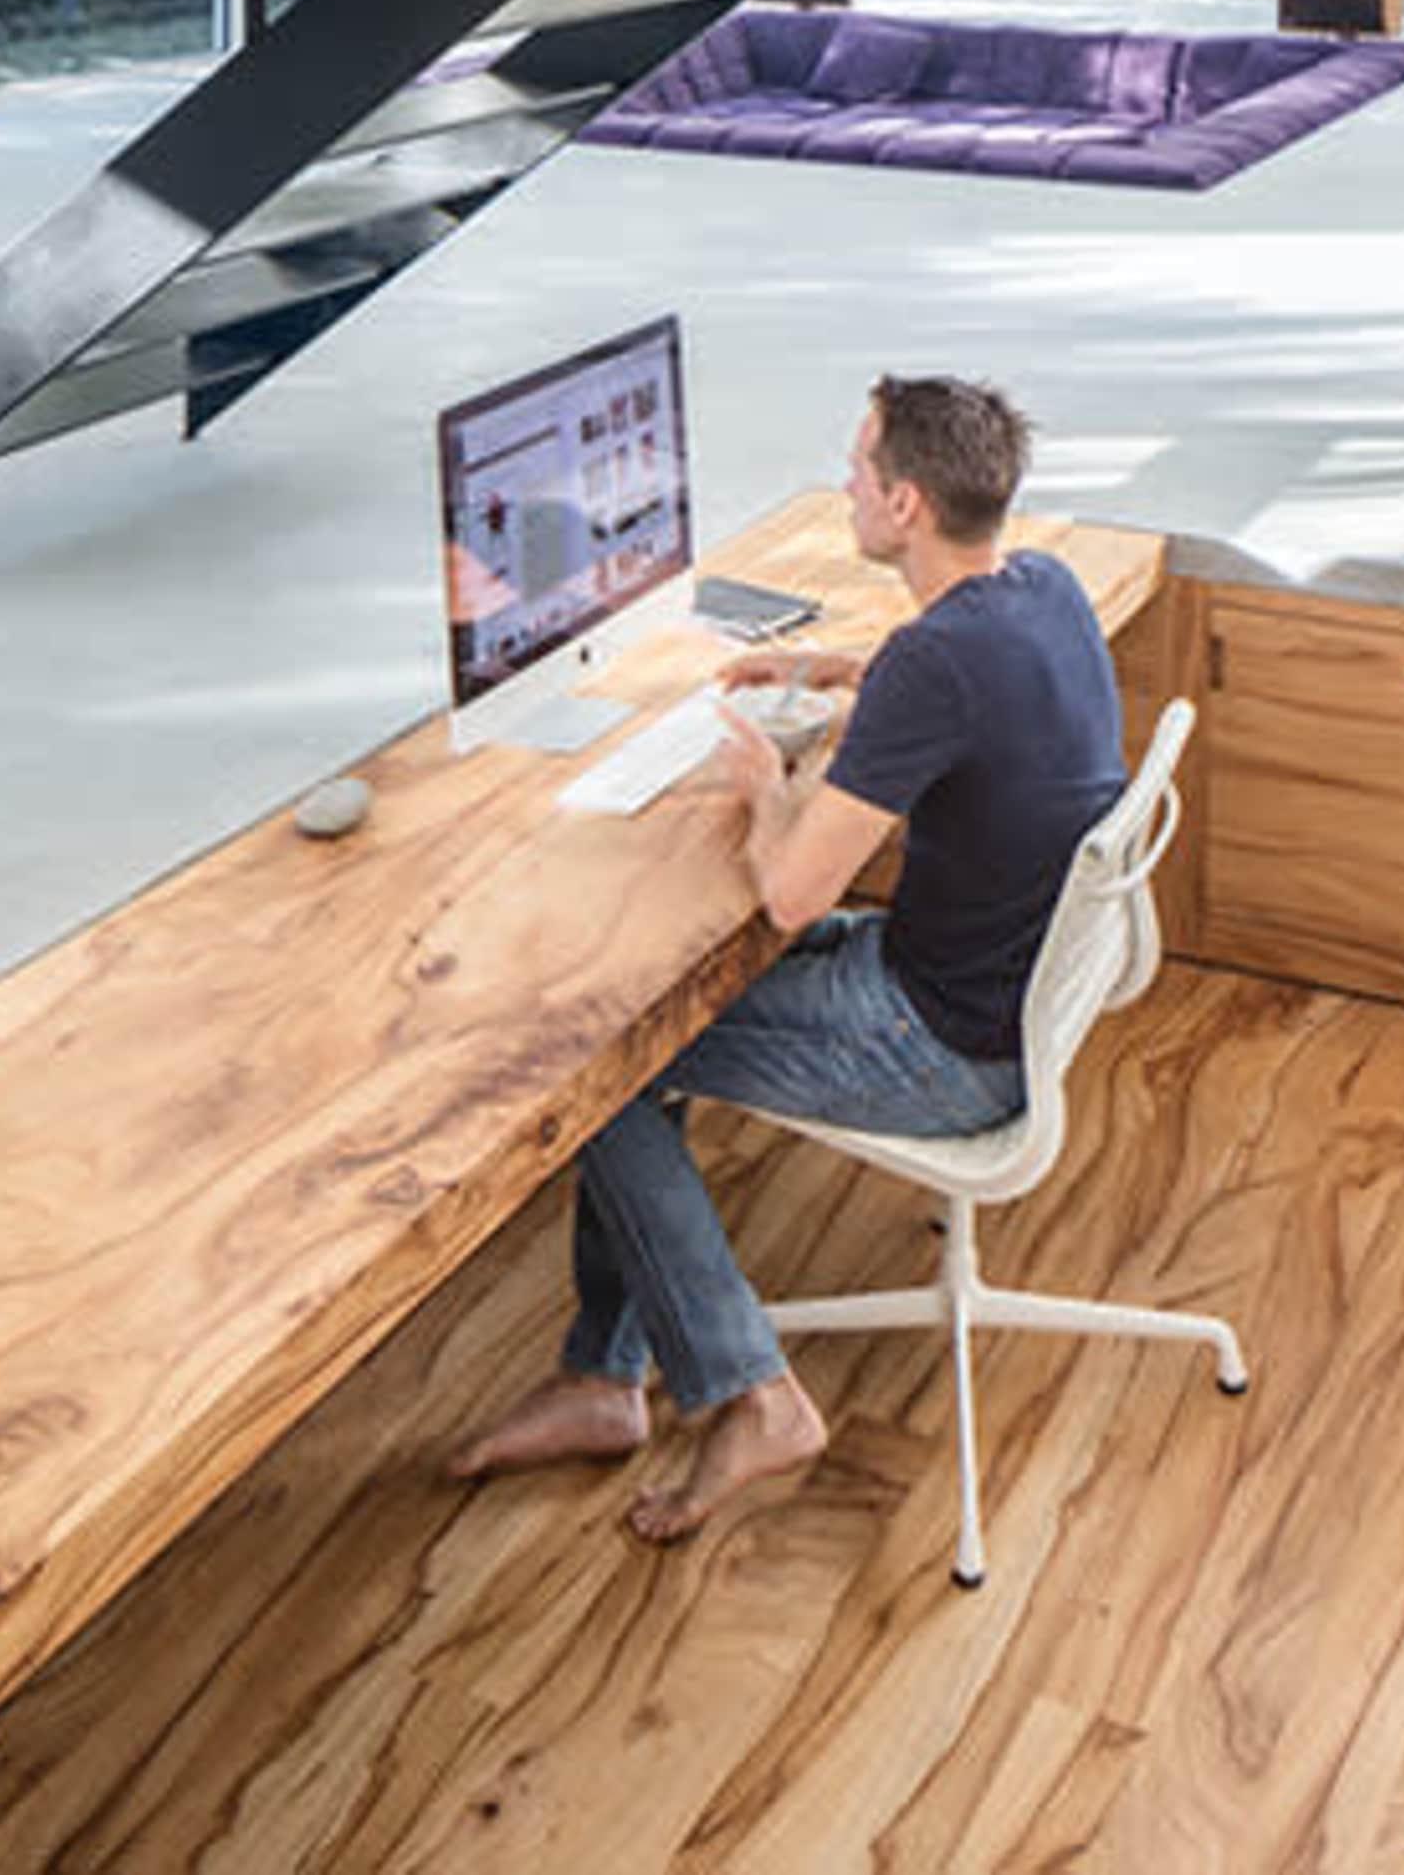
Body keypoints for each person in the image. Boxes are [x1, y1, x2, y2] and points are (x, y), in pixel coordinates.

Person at [443, 369, 1122, 1548]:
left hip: (944, 1045)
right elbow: (948, 674)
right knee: (639, 1043)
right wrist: (835, 672)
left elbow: (793, 898)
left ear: (905, 504)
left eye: (859, 468)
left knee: (600, 1063)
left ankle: (749, 1395)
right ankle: (605, 1382)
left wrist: (766, 790)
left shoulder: (936, 667)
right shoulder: (1043, 590)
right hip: (1012, 994)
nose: (845, 483)